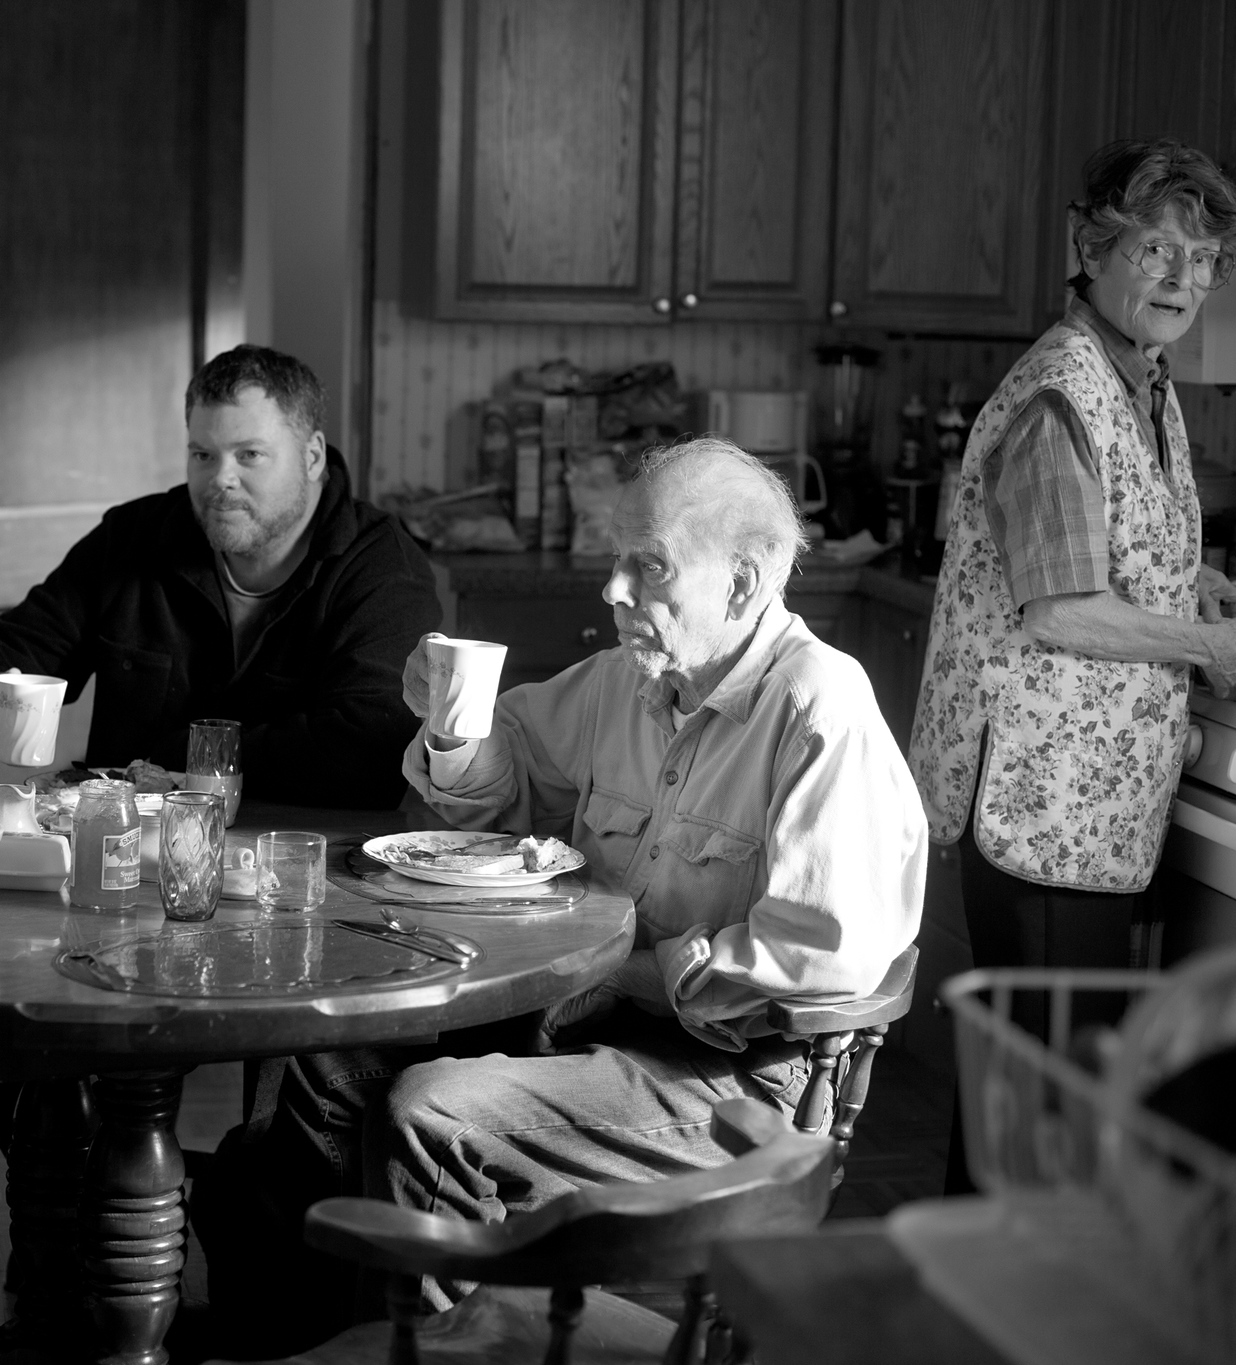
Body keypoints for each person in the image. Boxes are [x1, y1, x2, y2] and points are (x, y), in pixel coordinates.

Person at [375, 438, 924, 1284]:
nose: (613, 588)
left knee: (431, 1110)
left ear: (741, 582)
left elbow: (823, 955)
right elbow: (505, 766)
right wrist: (454, 723)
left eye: (650, 565)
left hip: (729, 1082)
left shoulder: (821, 707)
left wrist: (628, 972)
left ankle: (473, 1339)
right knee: (338, 1062)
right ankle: (346, 1324)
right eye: (616, 558)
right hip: (586, 1020)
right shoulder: (627, 680)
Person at [908, 140, 1236, 1114]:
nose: (1178, 278)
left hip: (1085, 799)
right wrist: (1217, 646)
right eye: (1155, 248)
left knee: (1032, 1096)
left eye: (1199, 260)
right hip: (1040, 799)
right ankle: (984, 1263)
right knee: (1038, 1100)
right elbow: (1061, 604)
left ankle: (979, 1259)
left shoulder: (1139, 376)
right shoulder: (1058, 392)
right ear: (1091, 247)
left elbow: (1103, 536)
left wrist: (1183, 578)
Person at [0, 344, 441, 809]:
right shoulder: (133, 537)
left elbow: (371, 751)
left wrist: (175, 756)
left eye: (250, 455)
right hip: (123, 863)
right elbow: (6, 646)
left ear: (312, 457)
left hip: (308, 859)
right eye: (203, 455)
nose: (220, 478)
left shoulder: (383, 566)